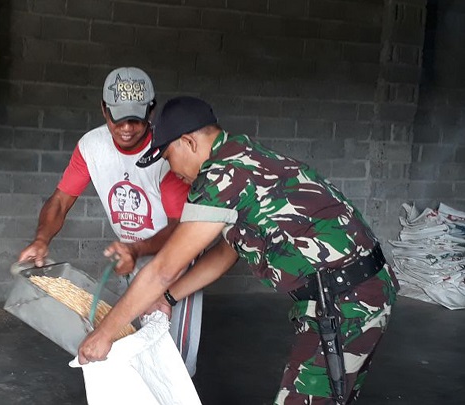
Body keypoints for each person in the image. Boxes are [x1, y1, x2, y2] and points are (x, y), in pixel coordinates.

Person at [77, 96, 400, 404]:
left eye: (168, 157)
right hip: (360, 290)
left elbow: (163, 269)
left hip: (346, 302)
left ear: (188, 142)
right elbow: (224, 253)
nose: (172, 170)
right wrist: (168, 298)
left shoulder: (220, 176)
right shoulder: (245, 155)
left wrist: (104, 334)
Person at [18, 68, 203, 376]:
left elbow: (180, 227)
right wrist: (41, 240)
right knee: (130, 345)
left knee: (171, 359)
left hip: (175, 258)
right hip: (131, 256)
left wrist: (138, 248)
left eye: (137, 118)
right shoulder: (92, 146)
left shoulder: (166, 151)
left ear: (152, 111)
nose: (127, 128)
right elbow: (61, 201)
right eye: (117, 118)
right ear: (103, 108)